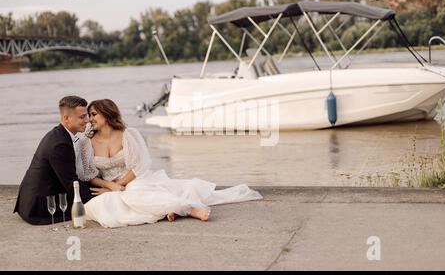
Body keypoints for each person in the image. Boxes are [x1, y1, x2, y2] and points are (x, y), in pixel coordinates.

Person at [77, 99, 263, 228]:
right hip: (110, 185)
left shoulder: (128, 134)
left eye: (93, 114)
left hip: (134, 179)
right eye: (88, 115)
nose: (89, 119)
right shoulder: (87, 142)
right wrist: (109, 186)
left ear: (107, 115)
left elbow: (138, 167)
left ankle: (189, 209)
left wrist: (118, 186)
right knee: (104, 207)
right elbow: (89, 174)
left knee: (135, 193)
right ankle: (171, 209)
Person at [14, 96, 94, 225]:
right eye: (82, 117)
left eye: (87, 116)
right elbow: (70, 183)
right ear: (66, 118)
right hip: (41, 207)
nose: (88, 120)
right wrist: (96, 198)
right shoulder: (60, 144)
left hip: (29, 200)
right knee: (101, 203)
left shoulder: (57, 134)